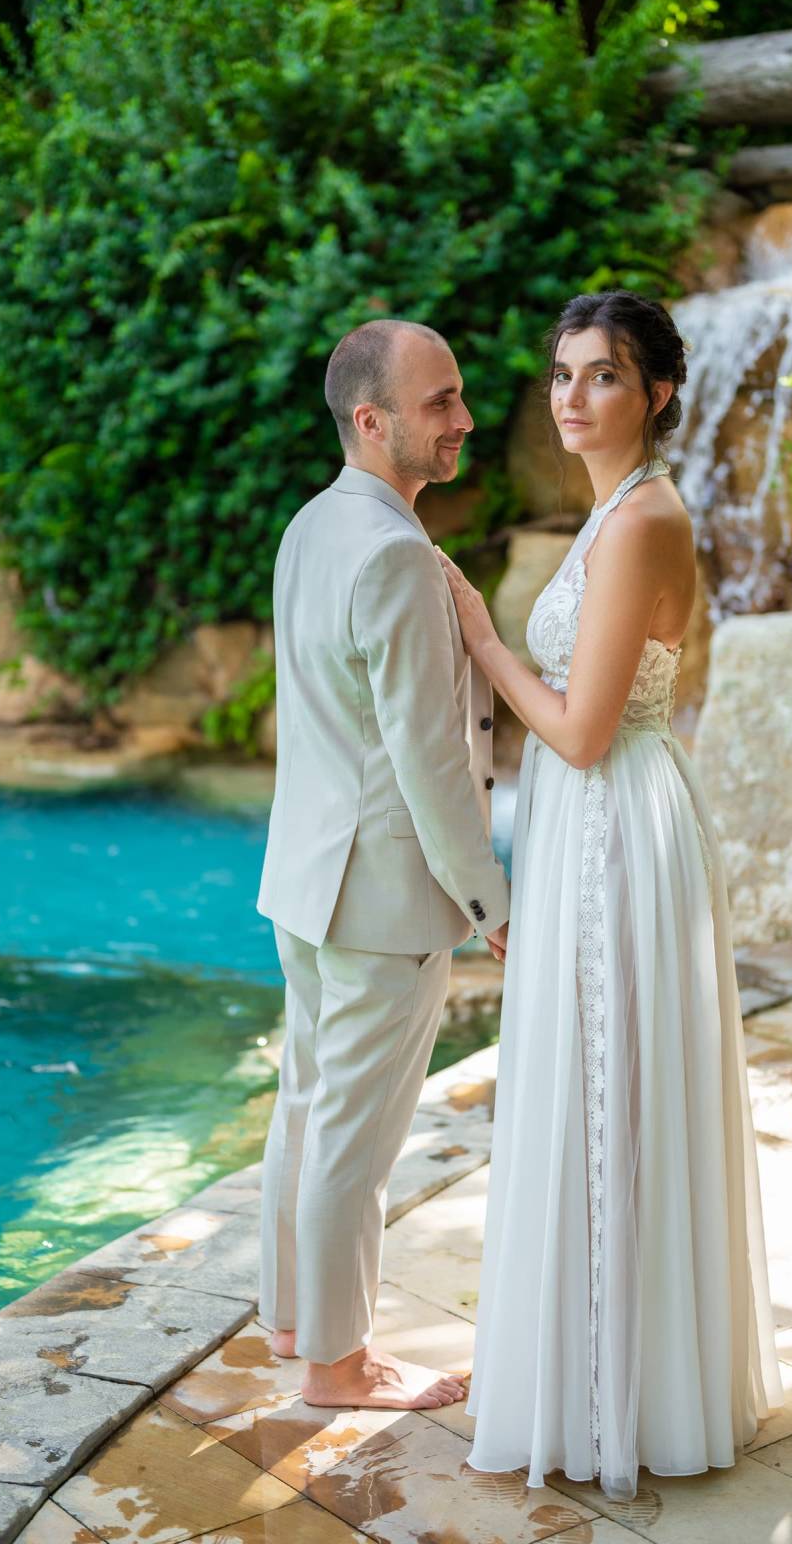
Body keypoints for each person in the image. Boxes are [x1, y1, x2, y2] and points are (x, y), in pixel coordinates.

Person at [437, 290, 784, 1500]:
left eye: (601, 375)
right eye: (561, 374)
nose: (571, 396)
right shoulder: (613, 510)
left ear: (657, 392)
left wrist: (482, 641)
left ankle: (614, 1395)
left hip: (613, 817)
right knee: (591, 1084)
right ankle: (596, 1377)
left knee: (610, 1087)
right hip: (590, 816)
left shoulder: (640, 521)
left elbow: (582, 731)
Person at [256, 317, 510, 1412]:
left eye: (457, 395)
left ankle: (292, 1323)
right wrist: (489, 900)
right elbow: (427, 757)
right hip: (383, 899)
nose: (464, 419)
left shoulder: (310, 526)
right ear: (371, 420)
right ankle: (338, 1365)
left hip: (307, 879)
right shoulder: (398, 553)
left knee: (306, 1110)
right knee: (352, 1145)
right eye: (438, 401)